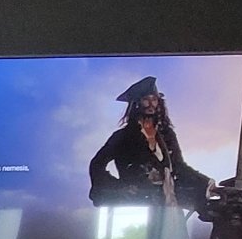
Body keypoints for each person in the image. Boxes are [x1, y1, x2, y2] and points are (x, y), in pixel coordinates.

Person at [87, 76, 211, 212]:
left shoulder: (167, 135)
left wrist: (205, 182)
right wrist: (120, 187)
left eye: (154, 99)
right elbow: (96, 164)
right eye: (146, 99)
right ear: (136, 104)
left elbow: (179, 166)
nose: (151, 104)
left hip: (167, 205)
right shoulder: (123, 137)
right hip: (137, 206)